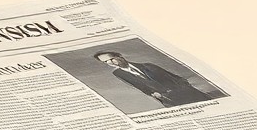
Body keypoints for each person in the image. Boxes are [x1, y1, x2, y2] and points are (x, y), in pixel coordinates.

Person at [93, 51, 221, 108]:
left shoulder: (148, 65)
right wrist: (153, 94)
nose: (110, 63)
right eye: (106, 62)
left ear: (120, 56)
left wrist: (185, 86)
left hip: (185, 91)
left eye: (111, 59)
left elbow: (173, 76)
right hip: (168, 98)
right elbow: (140, 86)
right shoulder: (119, 74)